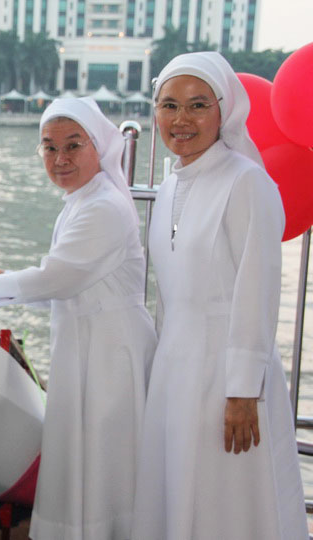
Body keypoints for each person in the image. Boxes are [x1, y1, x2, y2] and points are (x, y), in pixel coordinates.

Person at [0, 97, 157, 539]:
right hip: (88, 346)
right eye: (49, 147)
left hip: (108, 356)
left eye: (72, 146)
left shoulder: (103, 208)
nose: (60, 159)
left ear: (98, 146)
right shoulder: (82, 201)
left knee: (106, 463)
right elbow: (69, 287)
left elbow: (58, 279)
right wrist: (2, 279)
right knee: (86, 461)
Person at [132, 51, 308, 540]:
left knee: (225, 502)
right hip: (176, 368)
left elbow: (258, 288)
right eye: (168, 105)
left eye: (197, 105)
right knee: (175, 492)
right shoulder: (170, 184)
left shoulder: (246, 181)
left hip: (228, 376)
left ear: (223, 110)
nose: (181, 119)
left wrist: (242, 391)